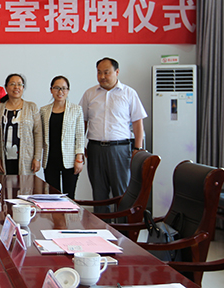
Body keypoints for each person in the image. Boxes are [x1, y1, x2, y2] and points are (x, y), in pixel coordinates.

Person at [79, 57, 147, 213]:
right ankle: (101, 226)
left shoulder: (129, 93)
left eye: (106, 72)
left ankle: (122, 227)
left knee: (122, 193)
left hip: (120, 149)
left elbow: (138, 123)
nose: (102, 76)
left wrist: (138, 148)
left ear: (117, 72)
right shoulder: (90, 94)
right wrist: (80, 147)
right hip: (95, 149)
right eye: (99, 72)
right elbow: (82, 122)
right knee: (99, 194)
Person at [39, 76, 85, 199]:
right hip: (50, 159)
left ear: (68, 90)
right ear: (51, 90)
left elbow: (80, 135)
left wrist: (79, 159)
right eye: (57, 88)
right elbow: (40, 135)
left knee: (69, 196)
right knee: (53, 196)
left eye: (64, 88)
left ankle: (69, 213)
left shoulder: (76, 110)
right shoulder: (44, 111)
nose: (60, 92)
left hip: (70, 160)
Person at [0, 74, 42, 175]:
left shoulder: (31, 107)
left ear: (23, 87)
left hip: (27, 159)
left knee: (25, 184)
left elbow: (38, 133)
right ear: (6, 87)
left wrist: (37, 158)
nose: (16, 87)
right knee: (5, 184)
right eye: (12, 84)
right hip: (3, 158)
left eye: (19, 84)